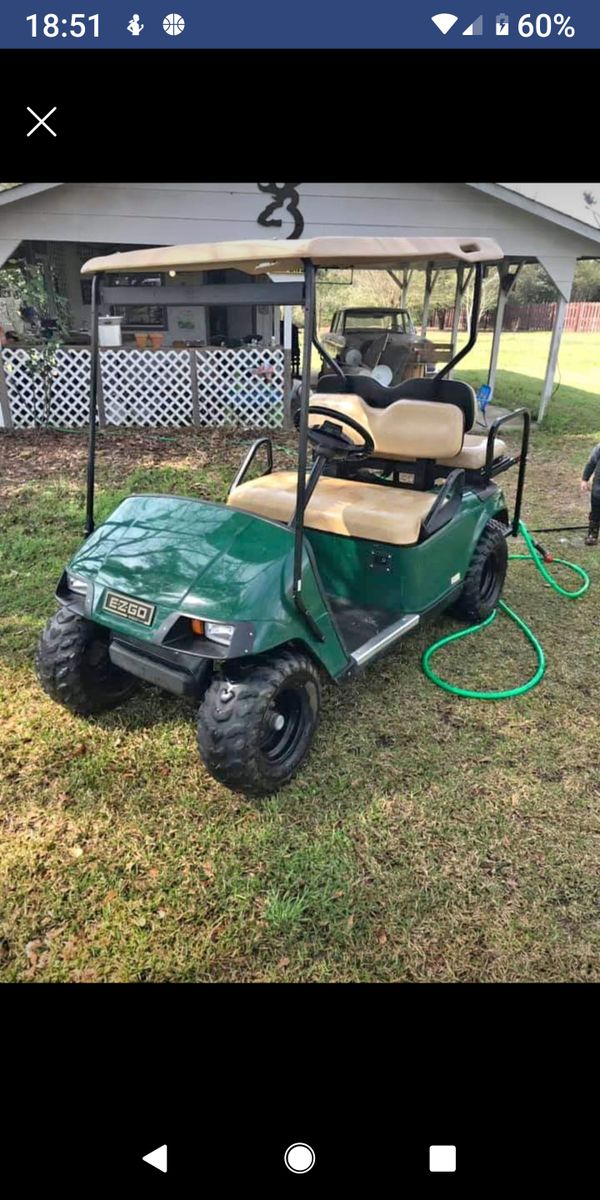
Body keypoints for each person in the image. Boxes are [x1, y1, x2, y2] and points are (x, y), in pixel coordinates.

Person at [580, 443, 600, 546]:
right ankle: (593, 534)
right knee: (595, 513)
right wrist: (584, 479)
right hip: (598, 490)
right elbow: (591, 463)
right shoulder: (599, 448)